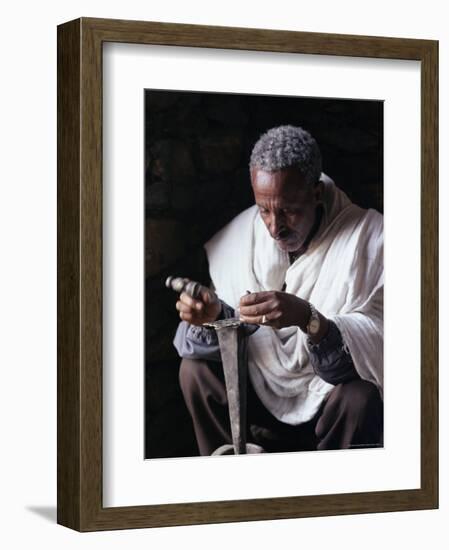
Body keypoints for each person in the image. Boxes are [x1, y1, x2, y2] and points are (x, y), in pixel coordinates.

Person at [173, 125, 383, 455]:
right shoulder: (244, 237)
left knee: (360, 398)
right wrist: (214, 316)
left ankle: (336, 493)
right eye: (264, 209)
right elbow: (239, 334)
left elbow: (377, 349)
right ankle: (227, 479)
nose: (274, 227)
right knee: (195, 370)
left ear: (316, 193)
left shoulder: (370, 239)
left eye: (288, 210)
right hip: (261, 392)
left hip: (327, 402)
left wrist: (308, 318)